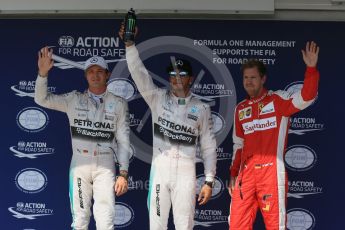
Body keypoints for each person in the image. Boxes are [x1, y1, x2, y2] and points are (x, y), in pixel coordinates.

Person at [119, 26, 217, 230]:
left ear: (190, 78)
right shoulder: (157, 98)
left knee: (184, 225)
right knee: (156, 226)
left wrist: (208, 181)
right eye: (173, 73)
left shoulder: (201, 108)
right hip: (160, 169)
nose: (176, 77)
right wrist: (129, 45)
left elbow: (208, 147)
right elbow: (139, 74)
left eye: (182, 73)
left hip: (186, 171)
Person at [35, 47, 130, 230]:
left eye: (99, 71)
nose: (95, 75)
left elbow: (124, 141)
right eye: (91, 72)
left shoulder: (119, 104)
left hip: (105, 166)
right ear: (86, 76)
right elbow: (41, 99)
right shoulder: (73, 99)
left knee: (105, 222)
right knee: (80, 221)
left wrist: (123, 173)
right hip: (80, 164)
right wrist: (42, 74)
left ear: (107, 75)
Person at [228, 41, 320, 230]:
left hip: (271, 173)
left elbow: (306, 97)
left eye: (253, 77)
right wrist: (233, 174)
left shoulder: (278, 99)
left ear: (263, 79)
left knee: (275, 226)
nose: (248, 82)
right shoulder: (240, 109)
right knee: (236, 226)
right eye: (246, 78)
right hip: (245, 175)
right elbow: (238, 145)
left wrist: (311, 69)